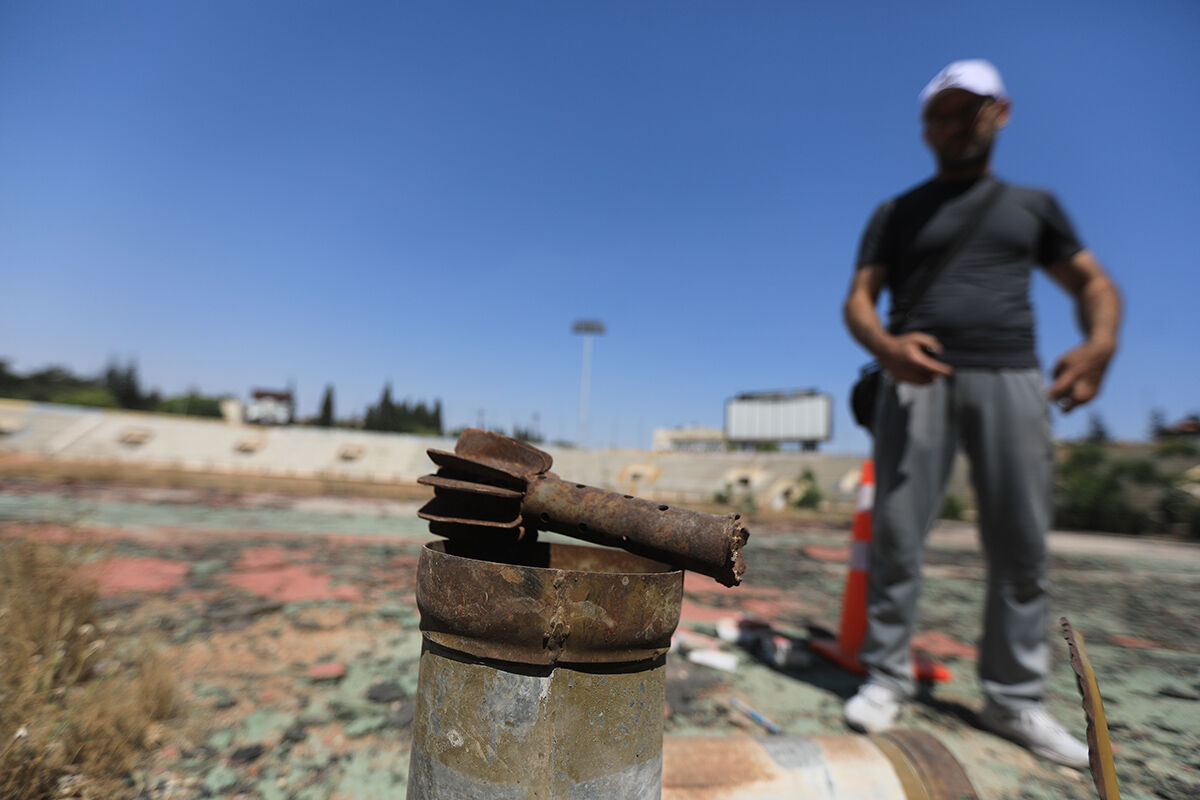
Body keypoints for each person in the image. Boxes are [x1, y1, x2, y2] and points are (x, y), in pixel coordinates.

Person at [841, 60, 1121, 769]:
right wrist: (886, 345)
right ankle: (887, 676)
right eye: (941, 114)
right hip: (918, 377)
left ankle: (1014, 698)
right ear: (924, 127)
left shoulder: (1032, 206)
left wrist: (1100, 342)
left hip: (1012, 375)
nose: (954, 125)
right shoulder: (896, 213)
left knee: (1021, 542)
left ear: (1001, 112)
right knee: (900, 533)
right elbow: (859, 299)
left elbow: (1092, 282)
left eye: (969, 110)